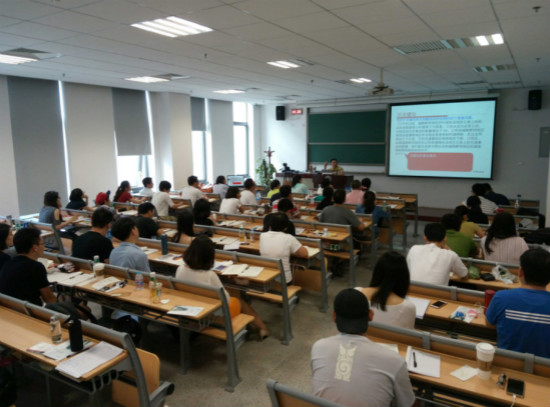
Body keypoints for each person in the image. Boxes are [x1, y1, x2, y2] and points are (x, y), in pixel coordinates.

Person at [311, 288, 415, 407]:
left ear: (334, 316)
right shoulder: (395, 361)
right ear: (370, 315)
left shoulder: (318, 347)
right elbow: (409, 404)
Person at [176, 236, 269, 339]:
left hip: (191, 307)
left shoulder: (180, 269)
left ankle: (255, 326)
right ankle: (262, 327)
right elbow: (226, 299)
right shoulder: (209, 275)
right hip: (212, 314)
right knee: (239, 300)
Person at [485, 248, 550, 358]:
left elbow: (489, 323)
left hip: (507, 363)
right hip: (544, 367)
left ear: (520, 272)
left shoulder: (501, 297)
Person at [359, 251, 416, 329]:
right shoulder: (408, 307)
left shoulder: (357, 293)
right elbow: (408, 334)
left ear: (377, 272)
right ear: (404, 277)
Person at [0, 228, 57, 305]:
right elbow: (49, 299)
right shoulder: (36, 267)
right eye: (43, 244)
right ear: (35, 247)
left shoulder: (8, 263)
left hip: (10, 308)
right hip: (30, 310)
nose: (44, 248)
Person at [259, 212, 308, 284]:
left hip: (267, 278)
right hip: (284, 281)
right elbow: (304, 254)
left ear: (270, 225)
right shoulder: (289, 238)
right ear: (286, 227)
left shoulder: (262, 235)